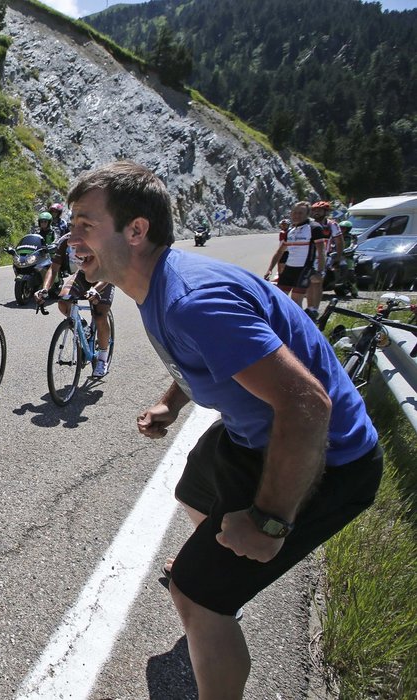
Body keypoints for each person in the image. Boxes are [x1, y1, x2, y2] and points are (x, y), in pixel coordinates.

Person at [67, 161, 381, 699]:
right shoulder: (154, 283)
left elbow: (307, 406)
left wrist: (269, 522)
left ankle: (214, 597)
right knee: (192, 488)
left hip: (330, 459)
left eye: (84, 224)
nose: (71, 238)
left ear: (136, 230)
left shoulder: (193, 300)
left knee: (195, 594)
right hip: (253, 434)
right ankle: (220, 571)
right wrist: (170, 403)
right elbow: (205, 360)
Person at [35, 231, 114, 378]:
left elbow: (109, 270)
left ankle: (102, 358)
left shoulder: (99, 239)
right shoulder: (65, 240)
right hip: (82, 275)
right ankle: (83, 327)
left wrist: (95, 290)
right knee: (63, 302)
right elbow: (54, 268)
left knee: (99, 315)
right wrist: (44, 289)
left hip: (103, 276)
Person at [264, 201, 325, 317]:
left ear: (308, 214)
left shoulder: (314, 228)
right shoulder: (290, 231)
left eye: (301, 213)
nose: (297, 215)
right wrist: (270, 269)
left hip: (304, 269)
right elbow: (280, 252)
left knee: (295, 302)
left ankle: (300, 329)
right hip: (289, 269)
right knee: (279, 298)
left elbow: (321, 251)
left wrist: (320, 272)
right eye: (295, 213)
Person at [306, 201, 338, 313]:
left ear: (326, 212)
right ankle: (309, 307)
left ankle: (315, 308)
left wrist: (338, 257)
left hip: (323, 256)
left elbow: (339, 241)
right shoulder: (309, 224)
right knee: (308, 282)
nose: (316, 212)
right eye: (314, 210)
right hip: (309, 256)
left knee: (317, 282)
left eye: (319, 210)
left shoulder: (331, 224)